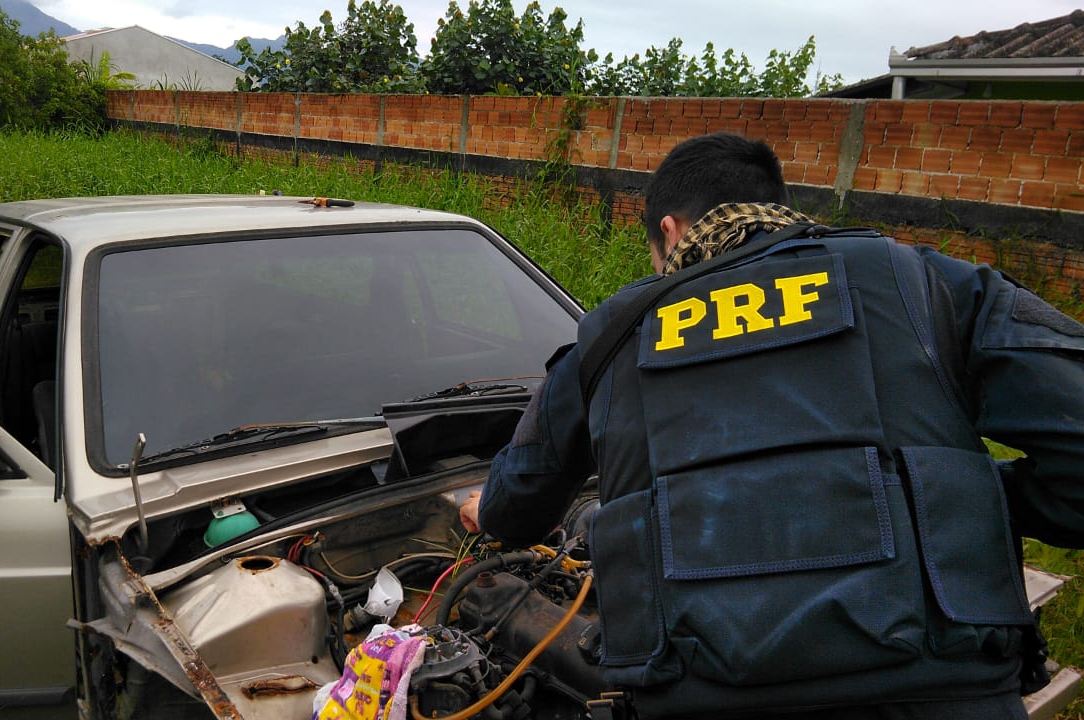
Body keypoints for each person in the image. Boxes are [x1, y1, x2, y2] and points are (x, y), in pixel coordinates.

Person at [460, 132, 1084, 719]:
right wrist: (938, 494)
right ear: (779, 207)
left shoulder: (612, 334)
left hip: (703, 698)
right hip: (944, 692)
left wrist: (485, 509)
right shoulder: (928, 283)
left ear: (669, 233)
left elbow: (517, 506)